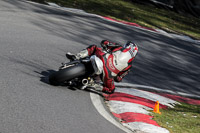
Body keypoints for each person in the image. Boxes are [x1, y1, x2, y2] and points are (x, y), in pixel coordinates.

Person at [66, 40, 138, 94]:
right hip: (108, 74)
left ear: (127, 46)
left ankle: (77, 56)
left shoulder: (119, 47)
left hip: (104, 58)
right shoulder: (129, 66)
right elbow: (118, 79)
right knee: (111, 90)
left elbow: (105, 42)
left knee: (94, 47)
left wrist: (105, 45)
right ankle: (92, 85)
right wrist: (114, 73)